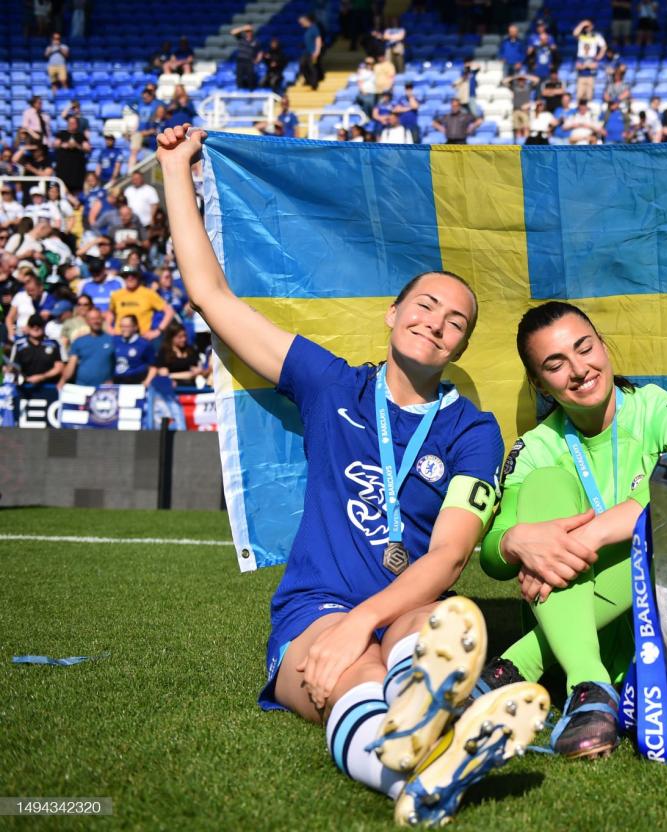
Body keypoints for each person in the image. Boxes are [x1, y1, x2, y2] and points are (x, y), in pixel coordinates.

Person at [155, 124, 546, 826]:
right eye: (426, 304)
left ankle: (417, 746)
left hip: (405, 608)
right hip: (315, 609)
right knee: (354, 677)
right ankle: (422, 764)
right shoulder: (329, 383)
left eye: (456, 321)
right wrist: (175, 170)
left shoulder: (473, 429)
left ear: (461, 344)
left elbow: (451, 554)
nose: (436, 323)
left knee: (442, 627)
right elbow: (213, 298)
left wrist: (365, 620)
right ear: (393, 313)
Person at [472, 301, 667, 759]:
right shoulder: (537, 446)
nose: (579, 369)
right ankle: (590, 687)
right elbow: (492, 554)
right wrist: (514, 542)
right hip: (584, 650)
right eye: (555, 364)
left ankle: (518, 663)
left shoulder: (657, 409)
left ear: (602, 345)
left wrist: (588, 537)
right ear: (538, 383)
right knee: (548, 485)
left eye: (584, 348)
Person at [60, 306, 115, 388]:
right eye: (92, 319)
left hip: (104, 388)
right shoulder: (79, 341)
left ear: (102, 320)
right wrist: (63, 381)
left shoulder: (112, 340)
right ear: (87, 321)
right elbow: (71, 365)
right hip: (82, 387)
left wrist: (113, 379)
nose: (95, 321)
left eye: (98, 318)